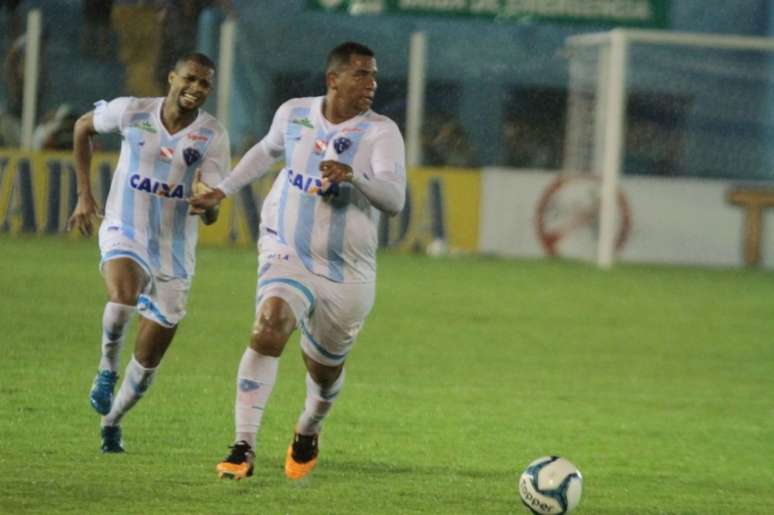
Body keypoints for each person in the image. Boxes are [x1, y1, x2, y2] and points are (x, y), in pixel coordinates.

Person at [190, 41, 406, 481]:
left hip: (347, 270)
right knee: (268, 326)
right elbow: (266, 152)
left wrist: (355, 178)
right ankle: (242, 445)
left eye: (375, 76)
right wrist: (224, 189)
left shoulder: (381, 132)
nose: (372, 84)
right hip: (287, 247)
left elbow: (395, 200)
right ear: (334, 79)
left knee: (324, 371)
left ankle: (309, 426)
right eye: (362, 74)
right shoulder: (294, 113)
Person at [67, 52, 230, 453]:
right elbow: (82, 128)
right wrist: (85, 196)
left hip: (174, 254)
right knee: (122, 296)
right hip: (126, 228)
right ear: (172, 77)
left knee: (146, 365)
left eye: (204, 83)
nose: (195, 88)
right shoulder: (132, 112)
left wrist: (207, 205)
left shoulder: (213, 136)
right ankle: (106, 369)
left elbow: (212, 212)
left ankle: (112, 421)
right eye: (190, 79)